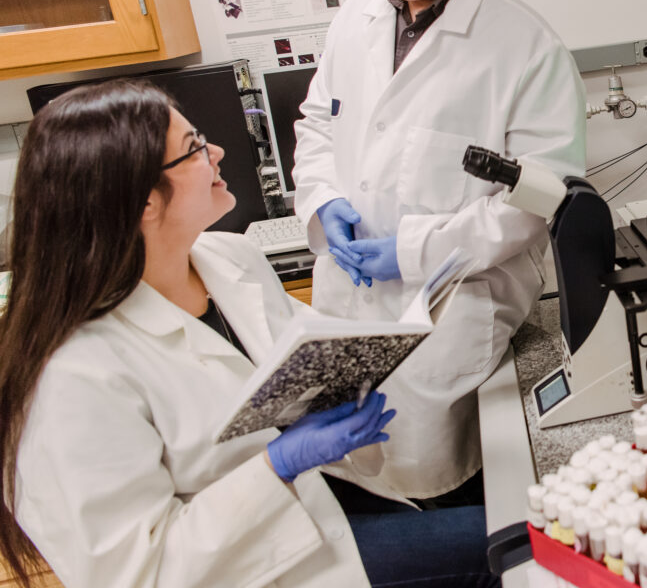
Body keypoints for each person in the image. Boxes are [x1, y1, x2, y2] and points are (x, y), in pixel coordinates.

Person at [0, 81, 498, 588]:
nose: (216, 152)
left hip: (328, 506)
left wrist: (347, 386)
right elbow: (137, 575)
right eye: (194, 149)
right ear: (144, 202)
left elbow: (302, 362)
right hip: (260, 570)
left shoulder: (228, 258)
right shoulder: (73, 376)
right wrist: (277, 465)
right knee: (521, 548)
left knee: (516, 514)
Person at [292, 0, 586, 502]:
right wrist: (320, 203)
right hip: (349, 305)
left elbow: (541, 199)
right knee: (352, 485)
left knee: (439, 493)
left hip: (452, 313)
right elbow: (317, 125)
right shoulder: (354, 21)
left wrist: (413, 250)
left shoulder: (526, 48)